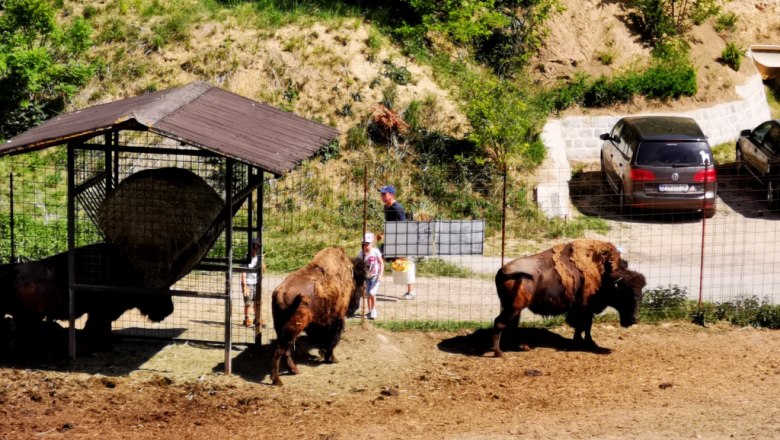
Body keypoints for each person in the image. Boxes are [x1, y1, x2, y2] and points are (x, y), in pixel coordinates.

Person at [379, 184, 415, 300]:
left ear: (391, 195)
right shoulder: (386, 207)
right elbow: (389, 224)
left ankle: (411, 292)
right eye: (382, 194)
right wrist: (383, 234)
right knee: (379, 257)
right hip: (390, 239)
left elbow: (402, 227)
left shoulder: (397, 208)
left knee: (404, 263)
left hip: (400, 240)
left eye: (384, 194)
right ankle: (372, 284)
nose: (382, 196)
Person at [358, 232, 383, 320]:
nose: (366, 246)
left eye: (368, 244)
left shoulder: (375, 251)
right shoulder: (361, 254)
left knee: (372, 293)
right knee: (368, 294)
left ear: (371, 244)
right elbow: (359, 265)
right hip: (367, 277)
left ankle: (374, 310)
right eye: (364, 244)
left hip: (375, 276)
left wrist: (380, 274)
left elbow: (381, 263)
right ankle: (369, 311)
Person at [241, 237, 262, 327]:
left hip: (256, 283)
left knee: (257, 302)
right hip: (249, 283)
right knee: (248, 303)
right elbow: (243, 272)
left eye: (257, 248)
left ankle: (256, 318)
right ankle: (246, 318)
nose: (256, 250)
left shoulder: (259, 258)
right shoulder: (246, 258)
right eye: (254, 248)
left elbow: (261, 270)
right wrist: (244, 285)